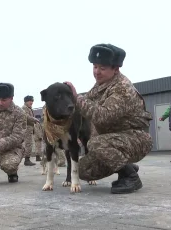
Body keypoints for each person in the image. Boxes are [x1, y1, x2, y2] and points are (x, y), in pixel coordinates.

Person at [65, 43, 153, 194]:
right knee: (84, 170)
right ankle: (125, 165)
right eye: (95, 67)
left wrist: (76, 98)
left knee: (95, 144)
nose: (97, 72)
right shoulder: (101, 84)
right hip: (114, 141)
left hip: (136, 139)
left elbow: (102, 116)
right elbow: (87, 102)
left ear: (116, 69)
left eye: (102, 68)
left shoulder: (122, 88)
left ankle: (130, 176)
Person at [22, 95, 40, 166]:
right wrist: (34, 119)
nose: (31, 102)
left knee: (29, 143)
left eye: (32, 101)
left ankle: (27, 159)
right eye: (30, 101)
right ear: (26, 101)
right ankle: (27, 160)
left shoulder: (29, 108)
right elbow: (25, 116)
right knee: (28, 144)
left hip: (30, 128)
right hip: (27, 128)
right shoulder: (24, 108)